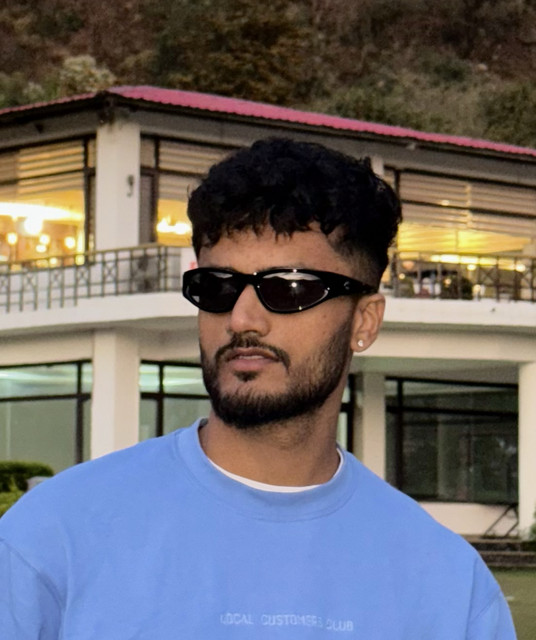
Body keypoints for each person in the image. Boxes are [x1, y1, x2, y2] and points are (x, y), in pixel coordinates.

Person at [0, 138, 515, 638]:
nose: (242, 319)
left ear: (364, 320)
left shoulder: (449, 587)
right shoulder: (52, 539)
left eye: (289, 288)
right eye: (218, 287)